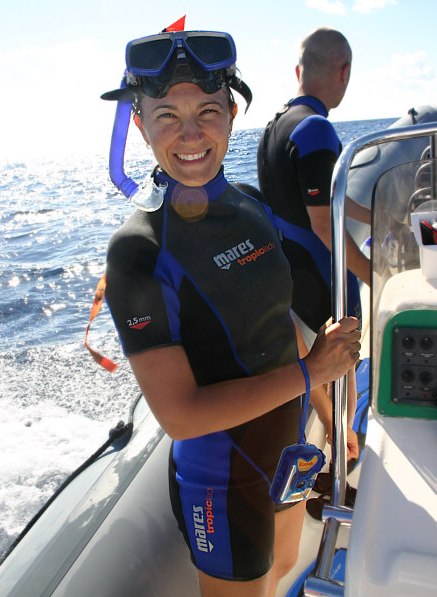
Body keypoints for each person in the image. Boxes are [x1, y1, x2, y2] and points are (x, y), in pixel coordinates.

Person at [101, 24, 360, 597]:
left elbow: (277, 325)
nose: (190, 134)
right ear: (139, 126)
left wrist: (330, 413)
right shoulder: (139, 250)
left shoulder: (252, 205)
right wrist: (315, 373)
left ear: (233, 114)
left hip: (289, 451)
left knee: (287, 566)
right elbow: (182, 417)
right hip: (223, 479)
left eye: (208, 111)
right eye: (167, 114)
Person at [257, 27, 370, 426]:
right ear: (344, 71)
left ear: (298, 71)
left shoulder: (275, 128)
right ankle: (348, 448)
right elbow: (324, 223)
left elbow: (317, 199)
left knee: (316, 368)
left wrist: (372, 217)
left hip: (292, 276)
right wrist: (374, 276)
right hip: (325, 278)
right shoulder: (317, 129)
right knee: (343, 366)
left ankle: (330, 447)